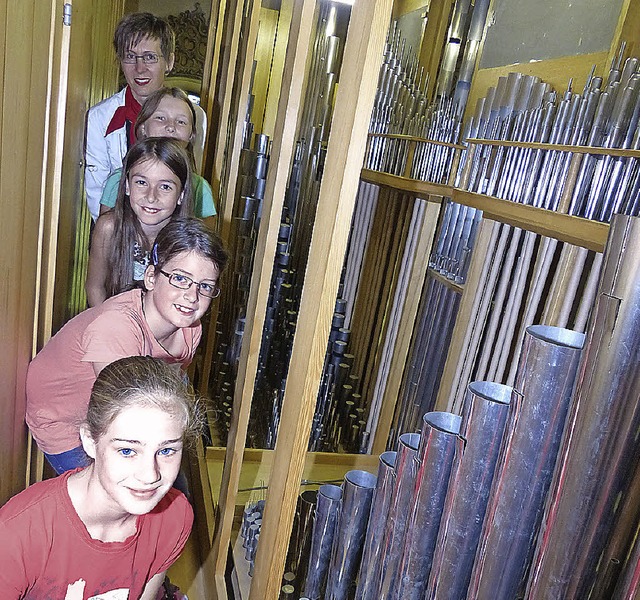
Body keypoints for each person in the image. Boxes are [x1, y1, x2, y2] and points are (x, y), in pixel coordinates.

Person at [26, 217, 228, 474]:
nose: (192, 296)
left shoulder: (190, 329)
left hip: (122, 409)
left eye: (205, 286)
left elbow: (172, 384)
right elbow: (127, 418)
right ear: (152, 277)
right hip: (66, 422)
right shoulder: (115, 327)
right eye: (180, 278)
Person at [2, 355, 200, 599]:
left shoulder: (174, 516)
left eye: (166, 450)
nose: (150, 475)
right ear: (89, 441)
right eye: (127, 451)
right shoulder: (18, 533)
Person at [85, 12, 176, 222]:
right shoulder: (100, 118)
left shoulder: (191, 116)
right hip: (118, 233)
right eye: (130, 56)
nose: (139, 67)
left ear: (169, 62)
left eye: (150, 57)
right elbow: (97, 190)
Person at [86, 137, 194, 307]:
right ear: (128, 186)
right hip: (112, 323)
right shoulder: (108, 228)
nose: (151, 196)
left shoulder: (189, 243)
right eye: (142, 183)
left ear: (181, 194)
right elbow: (95, 288)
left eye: (165, 187)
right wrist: (107, 329)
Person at [99, 87, 217, 224]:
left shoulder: (200, 188)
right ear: (143, 127)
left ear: (191, 135)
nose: (171, 127)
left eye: (181, 122)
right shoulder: (117, 181)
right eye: (160, 118)